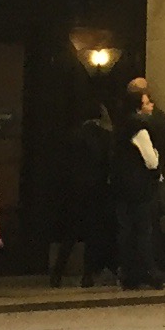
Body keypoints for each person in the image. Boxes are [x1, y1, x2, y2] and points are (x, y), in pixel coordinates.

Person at [48, 93, 115, 289]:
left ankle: (57, 274)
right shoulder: (105, 136)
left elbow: (64, 164)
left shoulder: (74, 135)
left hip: (75, 189)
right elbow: (108, 161)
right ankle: (88, 275)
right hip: (96, 188)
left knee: (70, 232)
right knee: (93, 233)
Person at [114, 75, 165, 290]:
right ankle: (149, 271)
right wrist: (157, 156)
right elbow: (151, 161)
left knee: (127, 231)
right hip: (140, 187)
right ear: (139, 107)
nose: (151, 105)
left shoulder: (121, 126)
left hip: (123, 186)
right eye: (147, 102)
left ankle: (128, 272)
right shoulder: (140, 128)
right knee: (144, 231)